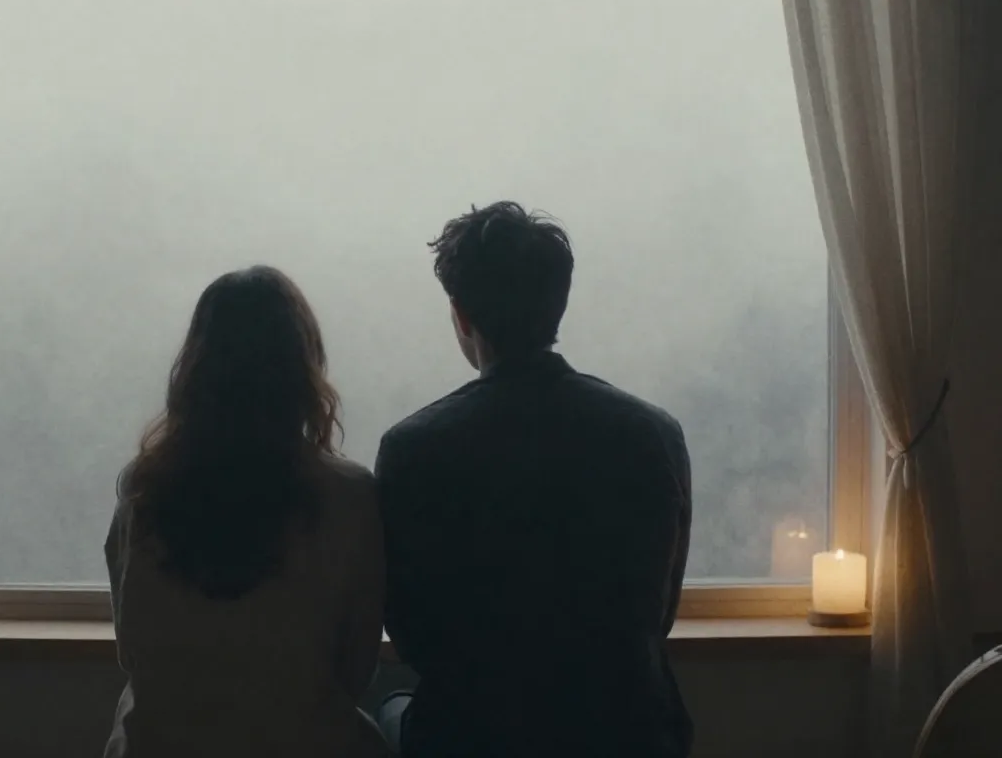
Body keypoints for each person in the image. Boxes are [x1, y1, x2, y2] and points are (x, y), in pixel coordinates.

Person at [374, 202, 693, 758]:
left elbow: (413, 638)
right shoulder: (654, 434)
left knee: (389, 712)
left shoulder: (413, 448)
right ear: (557, 304)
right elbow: (658, 615)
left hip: (475, 737)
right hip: (631, 733)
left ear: (461, 316)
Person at [104, 266, 388, 758]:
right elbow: (356, 669)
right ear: (301, 369)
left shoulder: (143, 488)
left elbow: (132, 648)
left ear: (195, 369)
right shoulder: (348, 494)